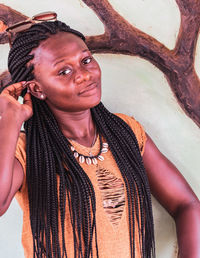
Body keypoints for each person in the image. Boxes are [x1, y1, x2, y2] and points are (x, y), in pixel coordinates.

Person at [0, 13, 199, 258]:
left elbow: (186, 205)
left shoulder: (126, 133)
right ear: (37, 89)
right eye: (63, 71)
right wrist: (10, 121)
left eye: (86, 60)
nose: (84, 74)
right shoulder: (27, 149)